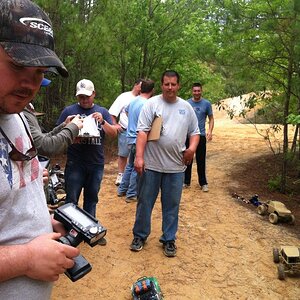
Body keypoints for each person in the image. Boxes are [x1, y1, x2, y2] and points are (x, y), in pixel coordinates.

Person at [0, 1, 79, 299]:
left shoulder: (18, 116)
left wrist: (46, 221)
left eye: (40, 72)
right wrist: (27, 259)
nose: (30, 83)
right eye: (19, 65)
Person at [130, 70, 200, 257]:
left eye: (173, 84)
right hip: (151, 165)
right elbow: (142, 132)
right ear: (161, 85)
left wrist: (192, 149)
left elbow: (195, 132)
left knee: (172, 205)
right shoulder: (151, 105)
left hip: (176, 167)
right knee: (145, 202)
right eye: (166, 84)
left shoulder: (186, 108)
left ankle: (169, 239)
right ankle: (140, 236)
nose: (170, 87)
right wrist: (139, 157)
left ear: (179, 86)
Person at [57, 79, 117, 244]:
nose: (84, 100)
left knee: (91, 197)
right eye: (81, 97)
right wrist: (68, 129)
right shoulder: (69, 111)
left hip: (96, 163)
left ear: (94, 94)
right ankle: (69, 233)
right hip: (75, 162)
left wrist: (103, 121)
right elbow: (58, 135)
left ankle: (91, 231)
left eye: (87, 96)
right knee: (71, 199)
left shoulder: (102, 111)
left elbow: (113, 134)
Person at [23, 79, 83, 157]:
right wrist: (73, 127)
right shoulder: (19, 113)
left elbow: (43, 139)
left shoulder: (26, 109)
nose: (38, 91)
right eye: (38, 86)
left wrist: (64, 126)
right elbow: (47, 147)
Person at [117, 79, 155, 203]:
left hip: (129, 136)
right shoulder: (147, 104)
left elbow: (126, 112)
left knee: (130, 165)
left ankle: (122, 189)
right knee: (136, 168)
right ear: (152, 90)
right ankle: (131, 194)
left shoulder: (133, 101)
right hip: (137, 138)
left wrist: (133, 123)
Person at [109, 79, 142, 185]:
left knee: (138, 155)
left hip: (139, 132)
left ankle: (135, 179)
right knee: (123, 154)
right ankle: (120, 175)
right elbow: (112, 113)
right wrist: (115, 124)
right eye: (140, 86)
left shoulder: (143, 98)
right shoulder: (124, 97)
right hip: (124, 130)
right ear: (135, 85)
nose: (141, 89)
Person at [184, 82, 214, 192]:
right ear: (192, 91)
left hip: (200, 135)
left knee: (201, 160)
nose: (197, 92)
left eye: (198, 90)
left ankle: (203, 183)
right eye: (195, 91)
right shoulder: (187, 103)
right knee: (187, 158)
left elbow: (211, 118)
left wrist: (210, 131)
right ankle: (186, 181)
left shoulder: (206, 104)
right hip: (188, 135)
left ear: (201, 91)